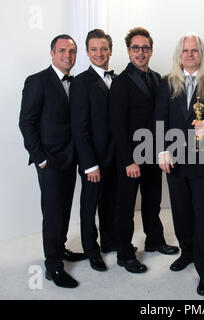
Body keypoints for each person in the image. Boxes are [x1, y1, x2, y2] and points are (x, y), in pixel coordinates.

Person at [155, 33, 204, 296]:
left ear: (201, 54)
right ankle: (187, 252)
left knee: (202, 215)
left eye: (194, 50)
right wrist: (161, 150)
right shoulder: (167, 83)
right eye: (185, 50)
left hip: (203, 162)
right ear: (179, 54)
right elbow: (160, 118)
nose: (189, 54)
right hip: (174, 160)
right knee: (181, 211)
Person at [109, 27, 179, 274]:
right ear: (128, 51)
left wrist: (163, 150)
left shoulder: (158, 79)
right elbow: (117, 126)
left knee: (153, 201)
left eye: (145, 48)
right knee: (126, 206)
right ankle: (124, 253)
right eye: (136, 48)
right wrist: (128, 160)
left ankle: (154, 240)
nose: (141, 52)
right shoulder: (120, 83)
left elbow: (161, 118)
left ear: (151, 50)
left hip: (153, 154)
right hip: (130, 158)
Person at [19, 34, 86, 289]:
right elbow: (26, 122)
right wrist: (40, 159)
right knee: (53, 213)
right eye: (62, 50)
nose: (67, 55)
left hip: (70, 159)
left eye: (72, 51)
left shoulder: (75, 83)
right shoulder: (38, 81)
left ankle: (60, 247)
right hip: (49, 161)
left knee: (64, 208)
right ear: (52, 53)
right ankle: (53, 266)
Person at [70, 29, 117, 272]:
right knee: (90, 205)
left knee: (110, 202)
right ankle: (91, 248)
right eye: (94, 49)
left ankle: (109, 241)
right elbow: (79, 127)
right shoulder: (80, 82)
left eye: (103, 48)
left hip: (115, 157)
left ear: (110, 50)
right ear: (87, 53)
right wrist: (89, 163)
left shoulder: (117, 79)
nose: (99, 53)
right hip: (94, 160)